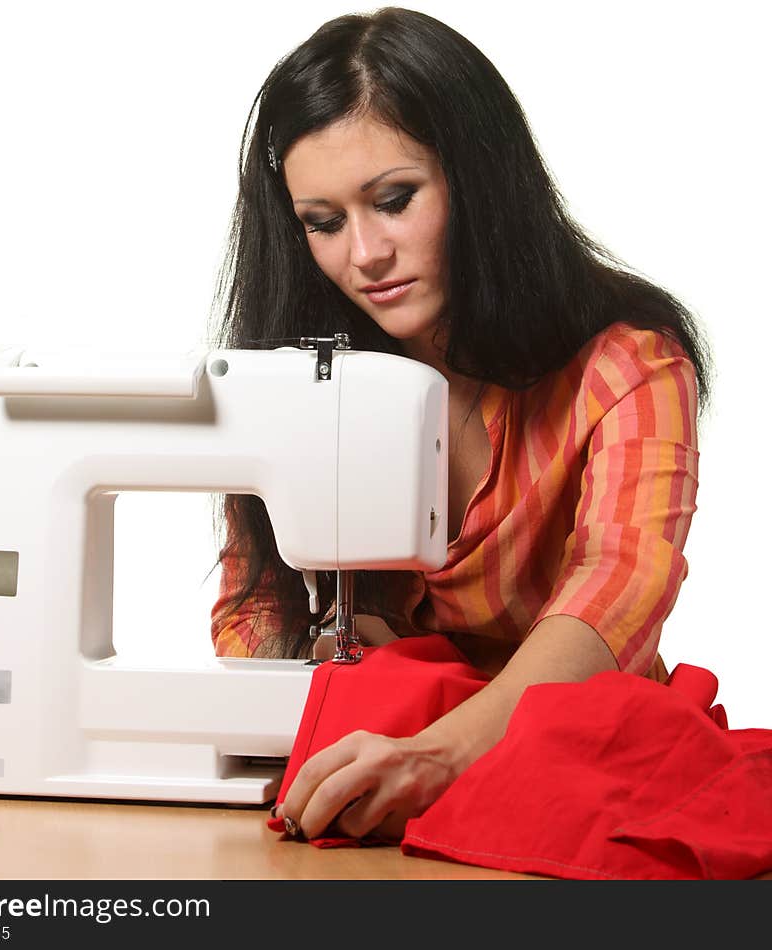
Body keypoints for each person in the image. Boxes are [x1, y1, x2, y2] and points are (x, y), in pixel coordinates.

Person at [207, 7, 712, 843]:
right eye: (323, 223)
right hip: (377, 777)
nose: (364, 255)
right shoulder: (305, 383)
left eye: (394, 200)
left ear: (478, 177)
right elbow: (253, 605)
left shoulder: (628, 369)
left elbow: (619, 591)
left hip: (575, 765)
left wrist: (436, 752)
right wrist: (307, 679)